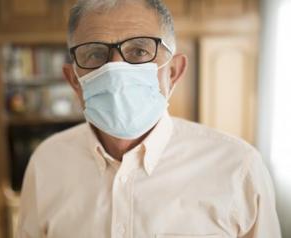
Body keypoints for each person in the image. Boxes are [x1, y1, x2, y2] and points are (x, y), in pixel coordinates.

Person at [16, 0, 281, 237]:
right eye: (95, 55)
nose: (116, 69)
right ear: (75, 80)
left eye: (140, 51)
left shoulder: (238, 168)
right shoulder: (46, 163)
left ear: (174, 72)